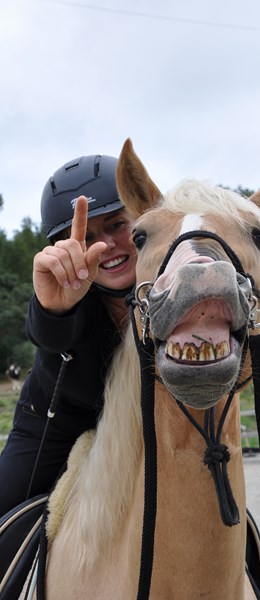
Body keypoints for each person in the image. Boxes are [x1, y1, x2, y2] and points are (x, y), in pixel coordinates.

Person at [0, 154, 138, 517]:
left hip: (146, 425)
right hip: (53, 422)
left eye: (117, 224)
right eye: (85, 236)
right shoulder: (68, 288)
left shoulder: (173, 280)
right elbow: (48, 334)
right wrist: (54, 307)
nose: (103, 246)